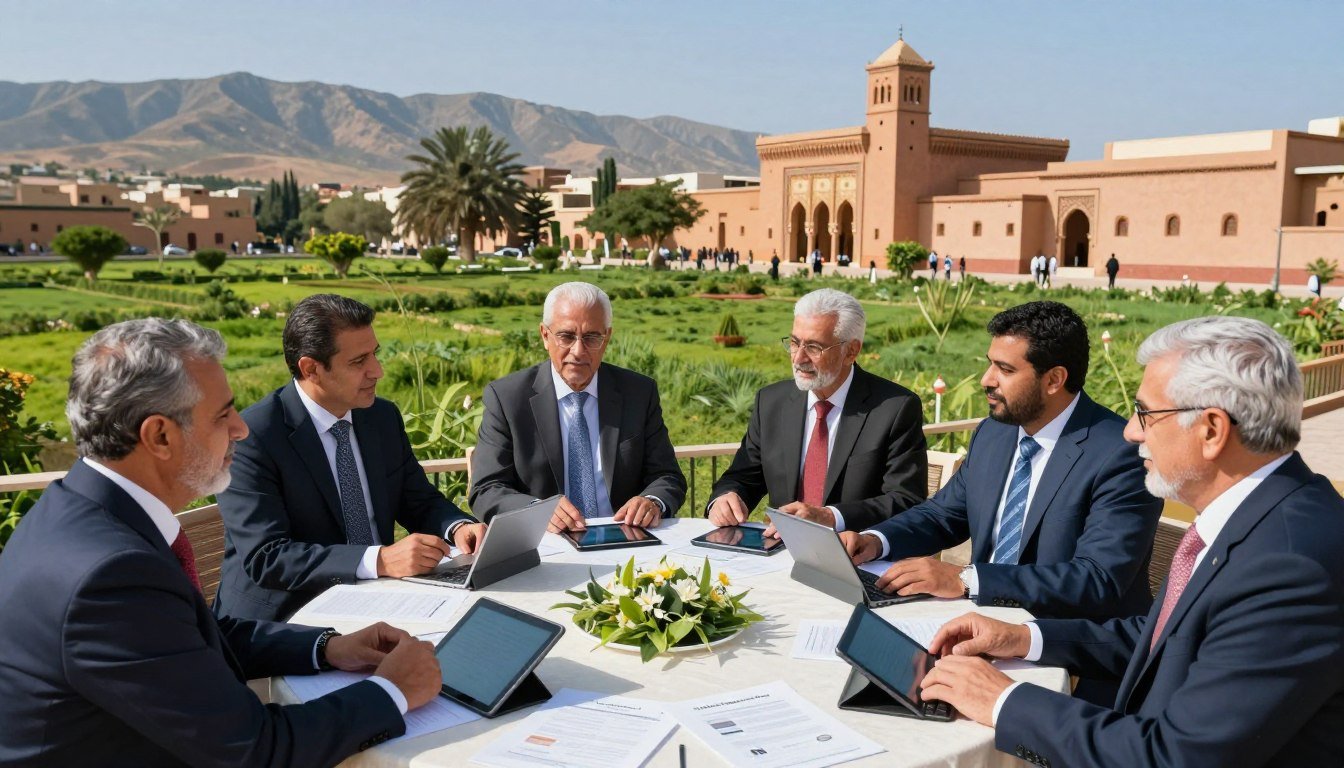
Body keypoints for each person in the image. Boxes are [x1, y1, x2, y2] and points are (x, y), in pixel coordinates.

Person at [0, 318, 442, 765]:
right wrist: (392, 691)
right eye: (222, 414)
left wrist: (326, 647)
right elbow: (254, 751)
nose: (240, 429)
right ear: (160, 436)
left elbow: (191, 636)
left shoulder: (84, 512)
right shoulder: (109, 574)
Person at [921, 316, 1344, 767]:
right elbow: (1167, 638)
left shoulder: (1290, 564)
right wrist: (1024, 637)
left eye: (1146, 413)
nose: (1131, 432)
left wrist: (1003, 701)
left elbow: (1175, 758)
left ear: (1212, 430)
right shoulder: (1261, 514)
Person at [841, 301, 1161, 621]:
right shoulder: (995, 432)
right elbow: (943, 514)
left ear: (1054, 380)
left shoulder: (1120, 455)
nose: (986, 379)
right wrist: (876, 541)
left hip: (1065, 636)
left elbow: (1096, 579)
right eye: (990, 364)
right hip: (978, 619)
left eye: (1005, 370)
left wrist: (967, 579)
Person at [215, 295, 484, 622]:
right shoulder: (253, 436)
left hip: (382, 599)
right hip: (284, 619)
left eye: (375, 354)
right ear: (311, 369)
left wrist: (458, 528)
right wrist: (379, 560)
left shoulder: (381, 416)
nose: (377, 371)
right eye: (358, 362)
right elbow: (267, 557)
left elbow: (417, 500)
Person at [471, 282, 686, 531]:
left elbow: (667, 476)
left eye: (592, 337)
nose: (578, 350)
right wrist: (538, 510)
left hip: (624, 539)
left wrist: (652, 501)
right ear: (545, 335)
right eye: (566, 336)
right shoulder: (507, 398)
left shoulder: (638, 393)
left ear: (607, 338)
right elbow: (486, 489)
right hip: (544, 542)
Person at [709, 289, 928, 533]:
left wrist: (830, 516)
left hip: (855, 550)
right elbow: (742, 477)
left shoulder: (895, 408)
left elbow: (906, 499)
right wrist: (726, 498)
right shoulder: (771, 402)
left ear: (851, 351)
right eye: (794, 343)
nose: (798, 358)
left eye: (813, 347)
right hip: (780, 546)